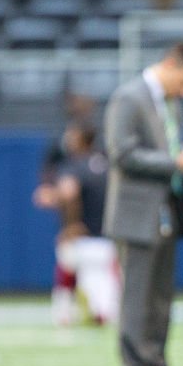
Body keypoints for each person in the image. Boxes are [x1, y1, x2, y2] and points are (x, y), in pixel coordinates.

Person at [103, 43, 183, 366]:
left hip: (167, 212)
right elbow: (122, 153)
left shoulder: (168, 103)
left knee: (161, 301)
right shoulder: (129, 97)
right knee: (137, 301)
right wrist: (176, 163)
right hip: (136, 214)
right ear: (171, 65)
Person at [51, 121, 119, 327]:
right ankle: (100, 308)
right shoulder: (108, 164)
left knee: (67, 264)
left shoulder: (73, 165)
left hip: (83, 237)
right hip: (108, 238)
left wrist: (71, 224)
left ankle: (66, 310)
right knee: (104, 284)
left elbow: (69, 192)